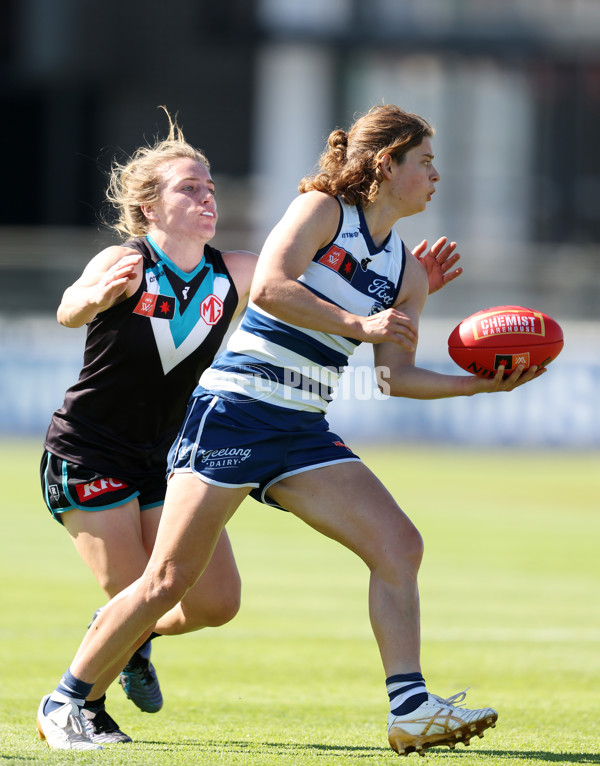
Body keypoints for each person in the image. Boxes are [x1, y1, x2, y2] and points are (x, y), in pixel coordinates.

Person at [35, 104, 524, 754]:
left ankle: (410, 708)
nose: (438, 175)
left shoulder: (407, 272)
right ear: (387, 164)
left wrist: (480, 383)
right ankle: (65, 700)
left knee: (400, 545)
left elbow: (392, 377)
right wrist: (360, 324)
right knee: (169, 582)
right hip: (233, 411)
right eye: (426, 161)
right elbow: (267, 286)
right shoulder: (324, 210)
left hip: (301, 425)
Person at [38, 109, 256, 745]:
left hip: (170, 458)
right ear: (149, 206)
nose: (206, 196)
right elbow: (67, 310)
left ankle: (125, 635)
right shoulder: (124, 260)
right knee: (143, 592)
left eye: (210, 187)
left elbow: (308, 283)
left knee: (216, 603)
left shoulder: (234, 272)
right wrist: (95, 296)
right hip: (87, 452)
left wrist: (402, 289)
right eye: (189, 188)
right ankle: (79, 707)